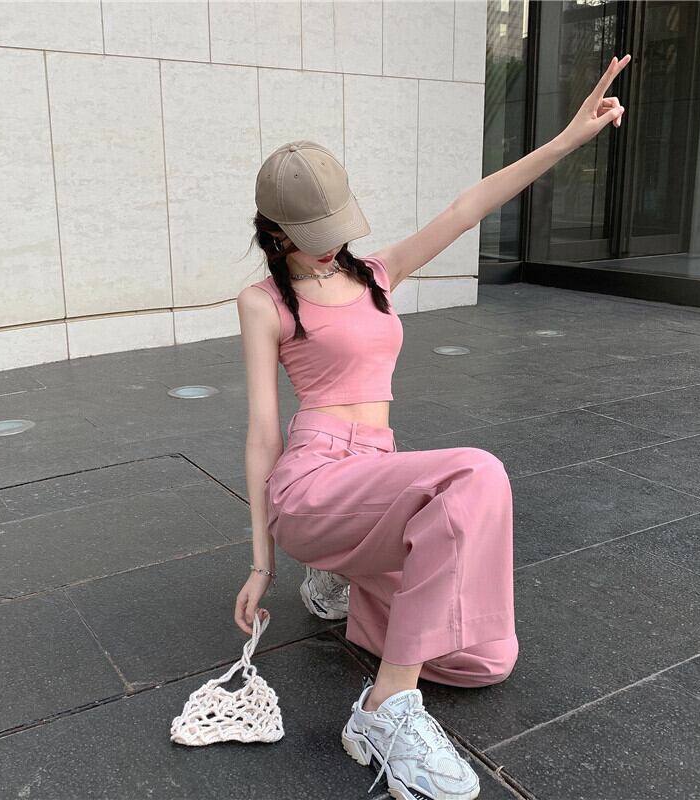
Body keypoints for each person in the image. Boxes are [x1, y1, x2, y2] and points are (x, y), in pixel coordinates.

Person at [234, 55, 630, 800]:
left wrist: (568, 140)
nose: (330, 243)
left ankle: (349, 586)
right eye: (313, 233)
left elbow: (467, 205)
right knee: (474, 473)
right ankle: (382, 711)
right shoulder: (265, 303)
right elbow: (262, 435)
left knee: (486, 661)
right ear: (275, 231)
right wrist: (262, 564)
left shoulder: (377, 276)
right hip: (313, 482)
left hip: (373, 475)